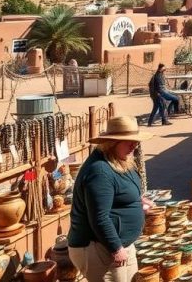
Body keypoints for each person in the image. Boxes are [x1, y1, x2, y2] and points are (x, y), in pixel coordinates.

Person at [68, 116, 153, 282]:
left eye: (135, 141)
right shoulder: (99, 171)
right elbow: (99, 217)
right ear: (112, 142)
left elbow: (120, 194)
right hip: (99, 248)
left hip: (120, 244)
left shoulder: (121, 161)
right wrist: (116, 248)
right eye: (128, 142)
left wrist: (138, 202)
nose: (134, 145)